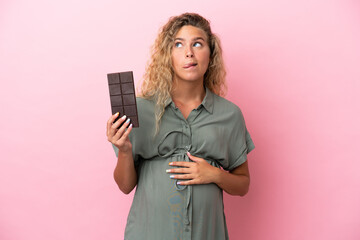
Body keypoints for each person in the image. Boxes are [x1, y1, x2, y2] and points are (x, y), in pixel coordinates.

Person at [106, 12, 255, 240]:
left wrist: (214, 174)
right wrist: (125, 150)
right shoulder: (140, 109)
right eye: (178, 44)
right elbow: (125, 186)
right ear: (168, 55)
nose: (189, 53)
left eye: (198, 43)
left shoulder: (230, 115)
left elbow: (243, 184)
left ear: (210, 53)